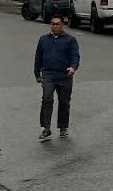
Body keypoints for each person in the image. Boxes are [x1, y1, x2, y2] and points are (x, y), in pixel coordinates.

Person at [34, 11, 80, 141]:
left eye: (58, 24)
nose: (55, 27)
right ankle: (46, 128)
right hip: (48, 75)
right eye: (53, 24)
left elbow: (75, 56)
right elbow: (38, 57)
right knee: (47, 99)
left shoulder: (70, 40)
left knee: (64, 102)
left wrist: (73, 67)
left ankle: (63, 127)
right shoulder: (43, 39)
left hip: (65, 76)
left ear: (62, 25)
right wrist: (37, 74)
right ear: (50, 25)